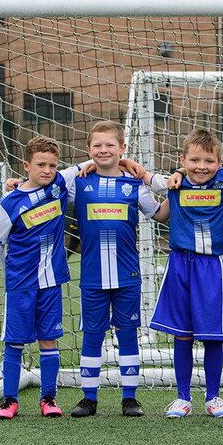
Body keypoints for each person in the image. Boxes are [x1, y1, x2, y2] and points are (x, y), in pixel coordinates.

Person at [65, 121, 170, 418]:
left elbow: (159, 214)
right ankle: (88, 398)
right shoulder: (79, 183)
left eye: (110, 145)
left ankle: (129, 398)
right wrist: (14, 186)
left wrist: (179, 191)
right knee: (93, 336)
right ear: (88, 151)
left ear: (123, 149)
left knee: (127, 334)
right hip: (93, 277)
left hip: (127, 276)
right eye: (97, 146)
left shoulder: (134, 185)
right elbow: (50, 188)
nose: (103, 150)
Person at [144, 129, 223, 418]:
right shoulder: (175, 185)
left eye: (209, 161)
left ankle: (213, 397)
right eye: (195, 160)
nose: (202, 166)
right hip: (179, 264)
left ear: (219, 162)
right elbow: (144, 179)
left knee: (212, 336)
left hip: (211, 265)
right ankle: (182, 397)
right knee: (182, 335)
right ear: (183, 160)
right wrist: (137, 178)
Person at [0, 136, 77, 419]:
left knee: (49, 341)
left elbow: (92, 163)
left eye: (52, 165)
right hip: (20, 285)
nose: (47, 170)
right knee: (14, 342)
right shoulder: (10, 202)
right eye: (40, 165)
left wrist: (125, 161)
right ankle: (9, 400)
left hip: (51, 283)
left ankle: (48, 398)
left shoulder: (59, 185)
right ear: (26, 165)